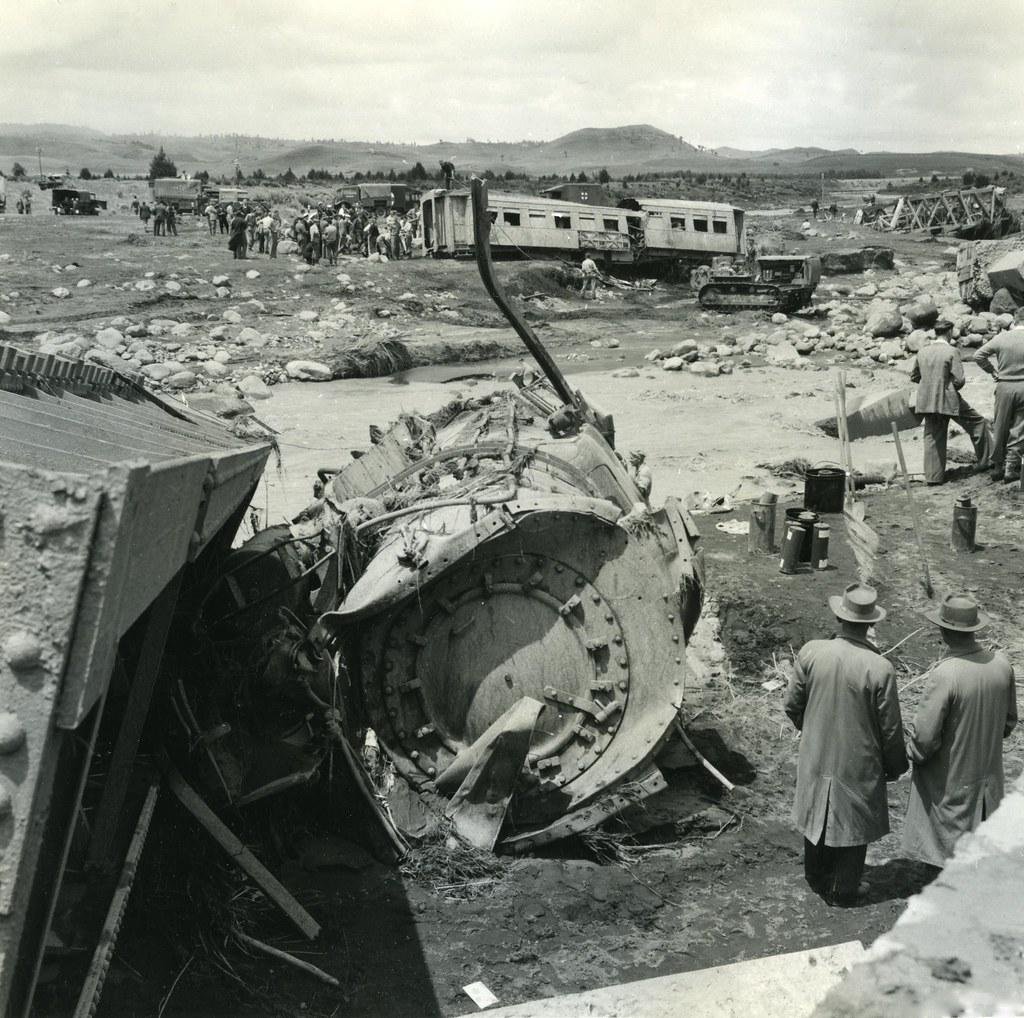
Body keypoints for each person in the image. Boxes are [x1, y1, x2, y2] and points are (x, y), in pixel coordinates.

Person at [784, 583, 907, 906]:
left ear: (840, 617)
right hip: (859, 759)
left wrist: (812, 731)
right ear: (870, 625)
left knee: (816, 811)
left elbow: (792, 705)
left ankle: (816, 877)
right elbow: (890, 728)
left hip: (817, 752)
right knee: (854, 820)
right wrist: (895, 766)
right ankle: (844, 889)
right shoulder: (880, 668)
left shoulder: (812, 651)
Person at [902, 594, 1017, 870]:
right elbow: (1009, 723)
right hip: (987, 782)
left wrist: (911, 753)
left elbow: (924, 740)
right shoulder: (1001, 665)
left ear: (943, 630)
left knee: (946, 849)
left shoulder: (945, 674)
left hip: (951, 783)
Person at [910, 319, 991, 484]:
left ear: (935, 332)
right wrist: (947, 387)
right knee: (977, 423)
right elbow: (960, 380)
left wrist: (930, 385)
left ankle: (933, 477)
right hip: (948, 399)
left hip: (926, 400)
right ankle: (987, 461)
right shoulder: (952, 351)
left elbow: (915, 376)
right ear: (948, 333)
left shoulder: (922, 351)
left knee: (933, 436)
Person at [974, 326, 1024, 483]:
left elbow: (978, 355)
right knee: (1019, 427)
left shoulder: (1001, 337)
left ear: (1014, 321)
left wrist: (992, 371)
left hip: (1003, 385)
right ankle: (1011, 467)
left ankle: (997, 467)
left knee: (1000, 425)